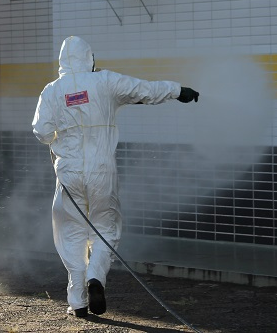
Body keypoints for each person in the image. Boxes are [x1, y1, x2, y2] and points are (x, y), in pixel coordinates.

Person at [32, 36, 199, 318]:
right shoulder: (105, 82)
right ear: (89, 58)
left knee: (70, 232)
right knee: (106, 228)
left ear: (62, 61)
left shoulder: (51, 91)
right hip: (101, 171)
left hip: (69, 174)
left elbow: (41, 131)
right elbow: (143, 90)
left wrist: (59, 133)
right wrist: (177, 90)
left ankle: (78, 302)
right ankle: (96, 276)